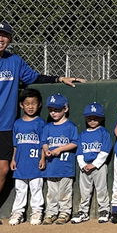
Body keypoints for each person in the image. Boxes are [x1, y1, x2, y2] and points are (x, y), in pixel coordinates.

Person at [0, 21, 82, 230]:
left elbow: (34, 77)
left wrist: (59, 77)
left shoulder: (14, 61)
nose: (0, 39)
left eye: (4, 35)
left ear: (10, 39)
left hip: (5, 127)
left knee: (3, 169)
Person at [8, 88, 45, 226]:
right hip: (20, 162)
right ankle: (18, 212)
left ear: (39, 104)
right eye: (27, 103)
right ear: (21, 105)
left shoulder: (40, 123)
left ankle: (37, 211)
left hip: (35, 162)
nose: (30, 106)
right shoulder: (17, 123)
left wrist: (42, 158)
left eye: (34, 103)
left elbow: (44, 143)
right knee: (20, 189)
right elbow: (15, 144)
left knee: (36, 188)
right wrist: (13, 159)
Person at [41, 93, 78, 224]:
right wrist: (46, 150)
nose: (53, 113)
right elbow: (44, 142)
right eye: (51, 110)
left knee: (64, 191)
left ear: (65, 109)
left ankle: (65, 212)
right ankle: (51, 212)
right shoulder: (48, 127)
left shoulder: (70, 126)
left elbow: (75, 142)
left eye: (57, 110)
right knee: (51, 192)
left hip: (65, 166)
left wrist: (60, 149)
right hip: (51, 166)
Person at [73, 101, 111, 224]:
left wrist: (94, 164)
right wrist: (83, 165)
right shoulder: (83, 134)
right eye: (90, 118)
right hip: (85, 167)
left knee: (101, 190)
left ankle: (104, 211)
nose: (93, 121)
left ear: (101, 118)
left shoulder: (103, 132)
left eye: (96, 118)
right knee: (84, 191)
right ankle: (83, 212)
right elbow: (79, 152)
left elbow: (105, 151)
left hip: (98, 166)